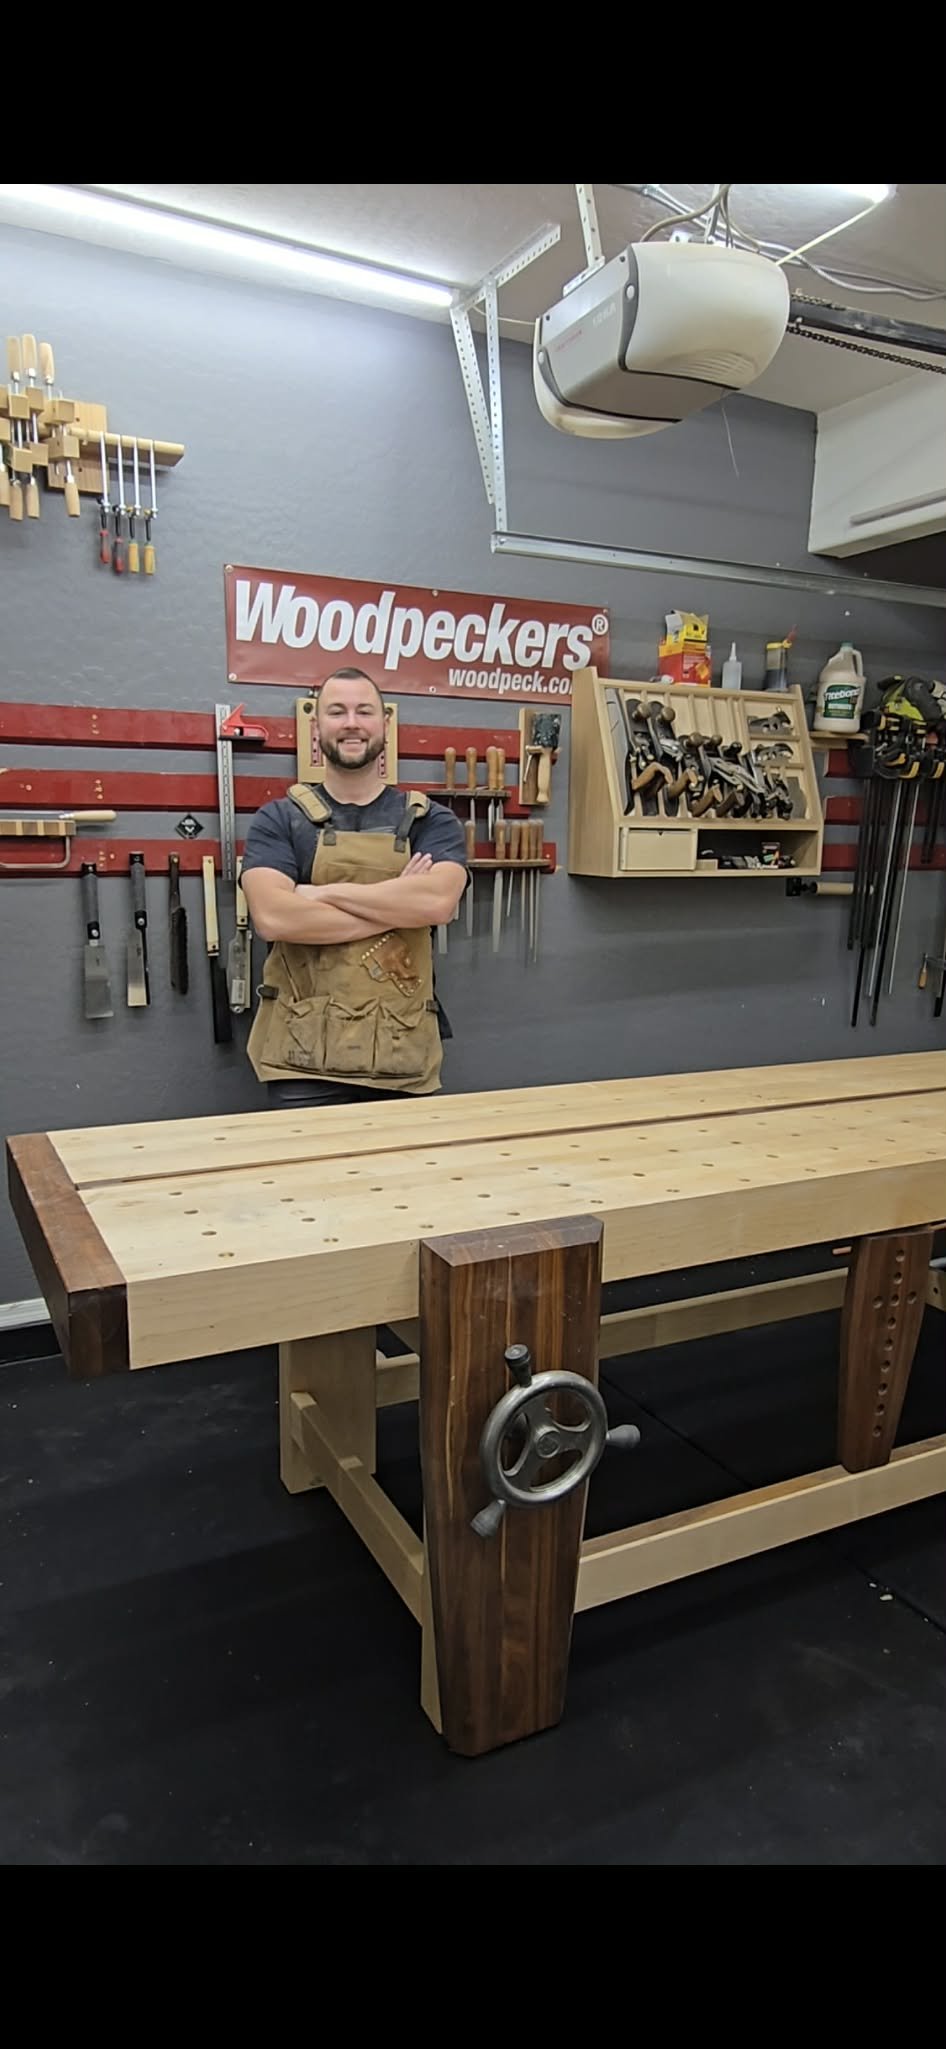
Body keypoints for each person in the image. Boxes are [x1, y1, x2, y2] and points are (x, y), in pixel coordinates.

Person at [240, 668, 468, 1108]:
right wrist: (397, 902)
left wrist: (318, 893)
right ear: (316, 727)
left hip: (402, 1053)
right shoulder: (280, 819)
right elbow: (274, 918)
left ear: (385, 723)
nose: (351, 723)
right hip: (301, 1059)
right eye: (337, 711)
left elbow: (437, 903)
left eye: (364, 711)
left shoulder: (431, 820)